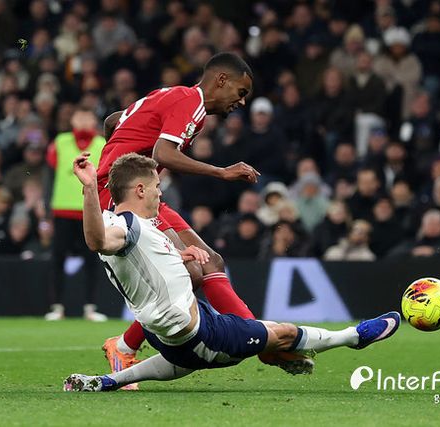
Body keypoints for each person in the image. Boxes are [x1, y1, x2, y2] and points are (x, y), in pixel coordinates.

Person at [63, 152, 400, 392]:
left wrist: (179, 255)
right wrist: (90, 188)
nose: (159, 192)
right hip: (198, 334)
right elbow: (98, 241)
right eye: (155, 186)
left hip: (167, 331)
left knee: (192, 356)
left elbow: (138, 259)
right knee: (280, 333)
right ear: (139, 190)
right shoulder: (124, 225)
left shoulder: (132, 224)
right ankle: (354, 337)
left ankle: (109, 381)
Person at [97, 52, 279, 380]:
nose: (241, 102)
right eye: (240, 92)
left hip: (143, 192)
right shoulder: (190, 102)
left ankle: (258, 337)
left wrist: (120, 151)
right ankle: (124, 346)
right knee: (189, 269)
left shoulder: (172, 96)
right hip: (121, 196)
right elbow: (163, 153)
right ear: (221, 80)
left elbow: (113, 120)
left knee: (210, 261)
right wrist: (221, 172)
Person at [44, 107, 108, 321]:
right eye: (79, 116)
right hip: (62, 209)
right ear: (71, 120)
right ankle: (57, 307)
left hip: (90, 210)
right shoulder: (60, 142)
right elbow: (49, 176)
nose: (82, 121)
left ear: (94, 122)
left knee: (93, 259)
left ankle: (90, 307)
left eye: (87, 117)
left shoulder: (101, 144)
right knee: (57, 259)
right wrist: (46, 207)